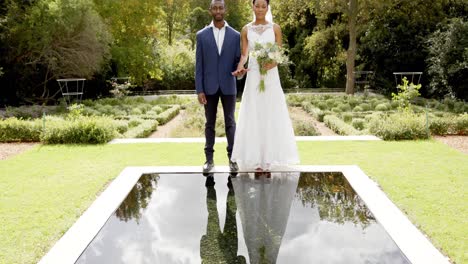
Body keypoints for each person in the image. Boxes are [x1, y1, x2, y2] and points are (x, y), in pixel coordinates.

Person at [231, 0, 299, 171]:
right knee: (254, 112)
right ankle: (255, 161)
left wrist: (272, 63)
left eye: (263, 6)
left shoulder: (275, 28)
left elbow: (279, 53)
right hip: (254, 75)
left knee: (271, 112)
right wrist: (240, 68)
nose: (260, 9)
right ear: (252, 7)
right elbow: (245, 54)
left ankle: (269, 160)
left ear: (267, 8)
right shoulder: (246, 29)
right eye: (257, 5)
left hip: (270, 76)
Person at [195, 0, 243, 173]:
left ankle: (233, 160)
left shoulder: (236, 35)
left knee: (230, 122)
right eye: (214, 8)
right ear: (210, 11)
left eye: (220, 7)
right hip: (208, 87)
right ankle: (209, 160)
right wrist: (199, 89)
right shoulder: (201, 35)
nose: (218, 11)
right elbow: (198, 65)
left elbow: (238, 62)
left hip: (229, 86)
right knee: (210, 124)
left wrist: (241, 72)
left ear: (225, 10)